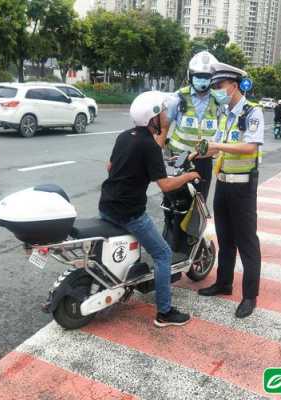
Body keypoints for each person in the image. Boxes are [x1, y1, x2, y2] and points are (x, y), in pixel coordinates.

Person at [99, 91, 200, 328]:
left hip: (107, 206)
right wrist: (188, 176)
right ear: (153, 117)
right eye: (163, 111)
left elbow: (111, 166)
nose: (166, 114)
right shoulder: (148, 146)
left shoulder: (126, 136)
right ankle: (164, 312)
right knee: (163, 254)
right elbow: (164, 184)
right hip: (130, 213)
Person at [196, 62, 263, 319]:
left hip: (244, 187)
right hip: (223, 184)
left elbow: (250, 148)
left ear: (234, 86)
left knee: (247, 242)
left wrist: (218, 145)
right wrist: (199, 151)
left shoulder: (251, 112)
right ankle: (224, 283)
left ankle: (249, 296)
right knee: (225, 239)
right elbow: (216, 146)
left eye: (219, 86)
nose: (216, 90)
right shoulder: (224, 114)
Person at [166, 51, 219, 200]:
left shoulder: (219, 101)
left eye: (206, 77)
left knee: (199, 201)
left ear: (213, 79)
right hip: (180, 158)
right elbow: (163, 127)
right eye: (198, 77)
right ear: (191, 76)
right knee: (175, 202)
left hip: (205, 159)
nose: (202, 81)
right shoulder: (178, 97)